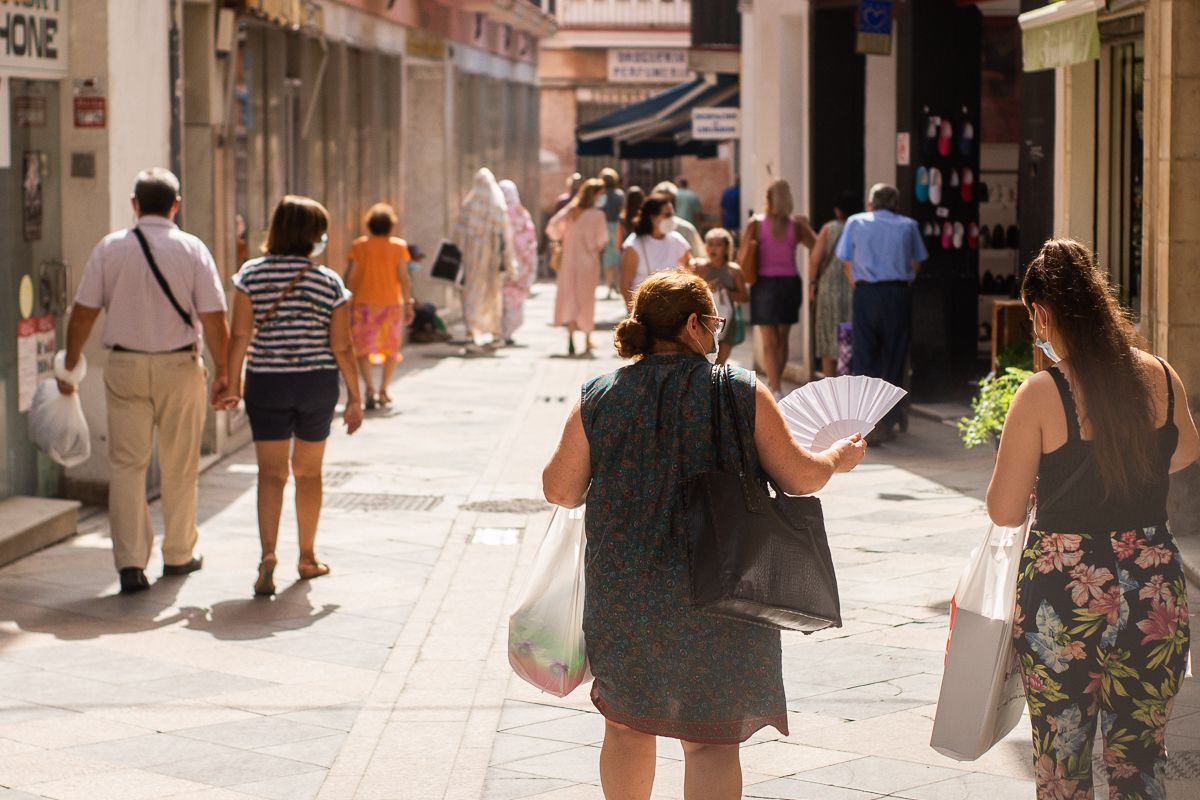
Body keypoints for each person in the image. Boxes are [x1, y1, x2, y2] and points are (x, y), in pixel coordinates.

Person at [542, 269, 866, 800]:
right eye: (713, 321)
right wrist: (839, 457)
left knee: (627, 726)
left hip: (627, 592)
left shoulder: (600, 395)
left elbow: (559, 489)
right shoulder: (738, 390)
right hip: (721, 592)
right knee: (711, 740)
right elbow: (800, 478)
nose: (717, 332)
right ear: (693, 325)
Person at [986, 239, 1199, 800]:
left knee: (1063, 766)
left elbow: (1003, 510)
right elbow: (1183, 454)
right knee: (1140, 764)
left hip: (1065, 597)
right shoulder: (1160, 376)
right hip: (1154, 591)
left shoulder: (1040, 394)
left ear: (1043, 313)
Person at [61, 167, 229, 594]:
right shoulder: (192, 249)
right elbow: (214, 318)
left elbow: (83, 312)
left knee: (127, 466)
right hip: (179, 367)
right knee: (180, 464)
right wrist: (226, 372)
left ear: (134, 205)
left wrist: (71, 365)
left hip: (126, 367)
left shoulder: (110, 248)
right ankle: (178, 555)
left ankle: (131, 566)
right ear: (176, 205)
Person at [221, 196, 364, 596]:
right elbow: (342, 346)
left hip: (267, 380)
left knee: (270, 474)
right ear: (312, 236)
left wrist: (232, 384)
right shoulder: (329, 281)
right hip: (315, 383)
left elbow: (239, 336)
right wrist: (355, 396)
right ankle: (306, 556)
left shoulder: (250, 276)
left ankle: (268, 555)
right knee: (308, 472)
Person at [836, 183, 928, 442]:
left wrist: (856, 282)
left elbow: (844, 258)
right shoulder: (908, 225)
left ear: (871, 203)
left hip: (866, 293)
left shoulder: (855, 222)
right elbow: (917, 262)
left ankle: (865, 422)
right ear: (896, 204)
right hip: (897, 294)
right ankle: (887, 420)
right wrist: (905, 281)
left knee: (864, 356)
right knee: (895, 356)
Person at [740, 178, 817, 398]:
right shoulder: (797, 225)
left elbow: (742, 255)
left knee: (768, 342)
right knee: (782, 339)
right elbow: (817, 246)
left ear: (768, 199)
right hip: (789, 284)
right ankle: (777, 384)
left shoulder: (756, 223)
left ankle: (775, 387)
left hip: (764, 284)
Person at [345, 203, 413, 410]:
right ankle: (384, 389)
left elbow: (352, 276)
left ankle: (370, 388)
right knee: (390, 348)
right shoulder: (398, 246)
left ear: (369, 224)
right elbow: (404, 277)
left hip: (363, 304)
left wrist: (347, 302)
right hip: (391, 304)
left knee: (362, 348)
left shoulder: (359, 246)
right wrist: (408, 302)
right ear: (391, 225)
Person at [547, 178, 609, 357]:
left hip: (568, 261)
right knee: (586, 299)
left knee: (570, 297)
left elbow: (552, 228)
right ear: (596, 195)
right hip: (587, 263)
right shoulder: (597, 215)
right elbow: (601, 241)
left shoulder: (570, 211)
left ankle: (571, 336)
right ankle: (587, 338)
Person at [456, 168, 516, 349]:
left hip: (471, 260)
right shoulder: (497, 207)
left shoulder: (468, 205)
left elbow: (458, 235)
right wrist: (509, 263)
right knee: (492, 295)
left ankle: (471, 332)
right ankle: (494, 333)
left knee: (471, 295)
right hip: (492, 260)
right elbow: (506, 237)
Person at [809, 190, 860, 378]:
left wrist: (812, 285)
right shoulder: (859, 227)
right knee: (851, 339)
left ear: (838, 211)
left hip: (829, 289)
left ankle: (830, 384)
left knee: (828, 341)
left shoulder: (828, 229)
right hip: (854, 287)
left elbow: (815, 260)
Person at [618, 194, 692, 305]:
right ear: (653, 217)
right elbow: (625, 285)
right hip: (645, 309)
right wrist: (635, 315)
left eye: (672, 213)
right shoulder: (634, 245)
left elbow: (689, 271)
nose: (672, 218)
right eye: (667, 214)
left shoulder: (677, 240)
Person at [689, 227, 748, 365]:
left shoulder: (734, 270)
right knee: (706, 361)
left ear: (727, 248)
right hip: (705, 321)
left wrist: (726, 292)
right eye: (710, 244)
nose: (713, 249)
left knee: (720, 362)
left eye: (718, 245)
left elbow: (744, 297)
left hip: (729, 320)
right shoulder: (699, 269)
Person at [499, 179, 538, 345]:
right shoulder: (522, 213)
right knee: (514, 297)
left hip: (502, 263)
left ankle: (501, 330)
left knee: (502, 297)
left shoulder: (498, 212)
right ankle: (507, 332)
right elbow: (530, 240)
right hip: (520, 263)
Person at [651, 181, 704, 257]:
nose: (666, 207)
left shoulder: (687, 230)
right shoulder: (644, 232)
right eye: (660, 203)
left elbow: (698, 258)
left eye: (670, 202)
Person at [598, 168, 625, 299]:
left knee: (607, 257)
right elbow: (622, 211)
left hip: (603, 226)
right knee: (617, 254)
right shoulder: (619, 194)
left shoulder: (601, 196)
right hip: (617, 226)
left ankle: (609, 285)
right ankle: (615, 283)